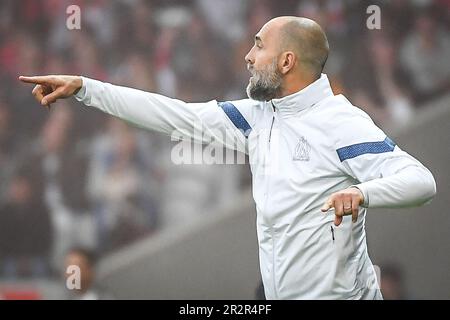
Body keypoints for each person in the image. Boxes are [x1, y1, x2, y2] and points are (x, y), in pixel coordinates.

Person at [19, 16, 436, 300]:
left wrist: (362, 193)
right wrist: (85, 88)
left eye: (258, 46)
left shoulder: (339, 121)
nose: (248, 57)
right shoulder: (257, 118)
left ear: (287, 61)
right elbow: (174, 115)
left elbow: (421, 181)